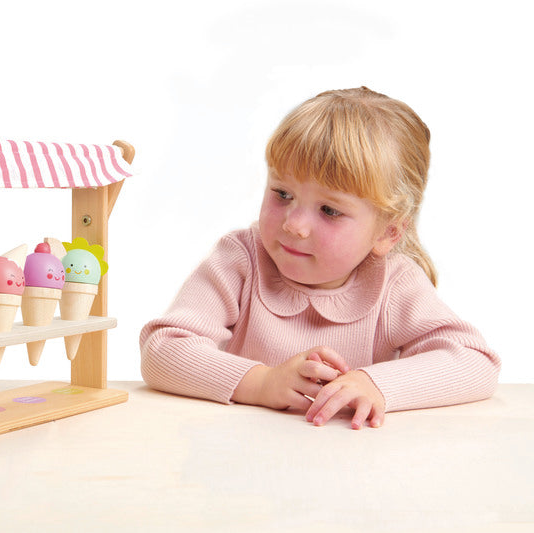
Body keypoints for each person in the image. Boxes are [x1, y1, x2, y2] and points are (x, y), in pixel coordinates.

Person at [139, 87, 500, 430]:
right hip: (242, 460)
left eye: (329, 210)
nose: (294, 225)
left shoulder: (394, 283)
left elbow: (474, 361)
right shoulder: (241, 260)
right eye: (282, 193)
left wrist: (375, 384)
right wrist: (262, 383)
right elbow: (163, 350)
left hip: (352, 469)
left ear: (387, 232)